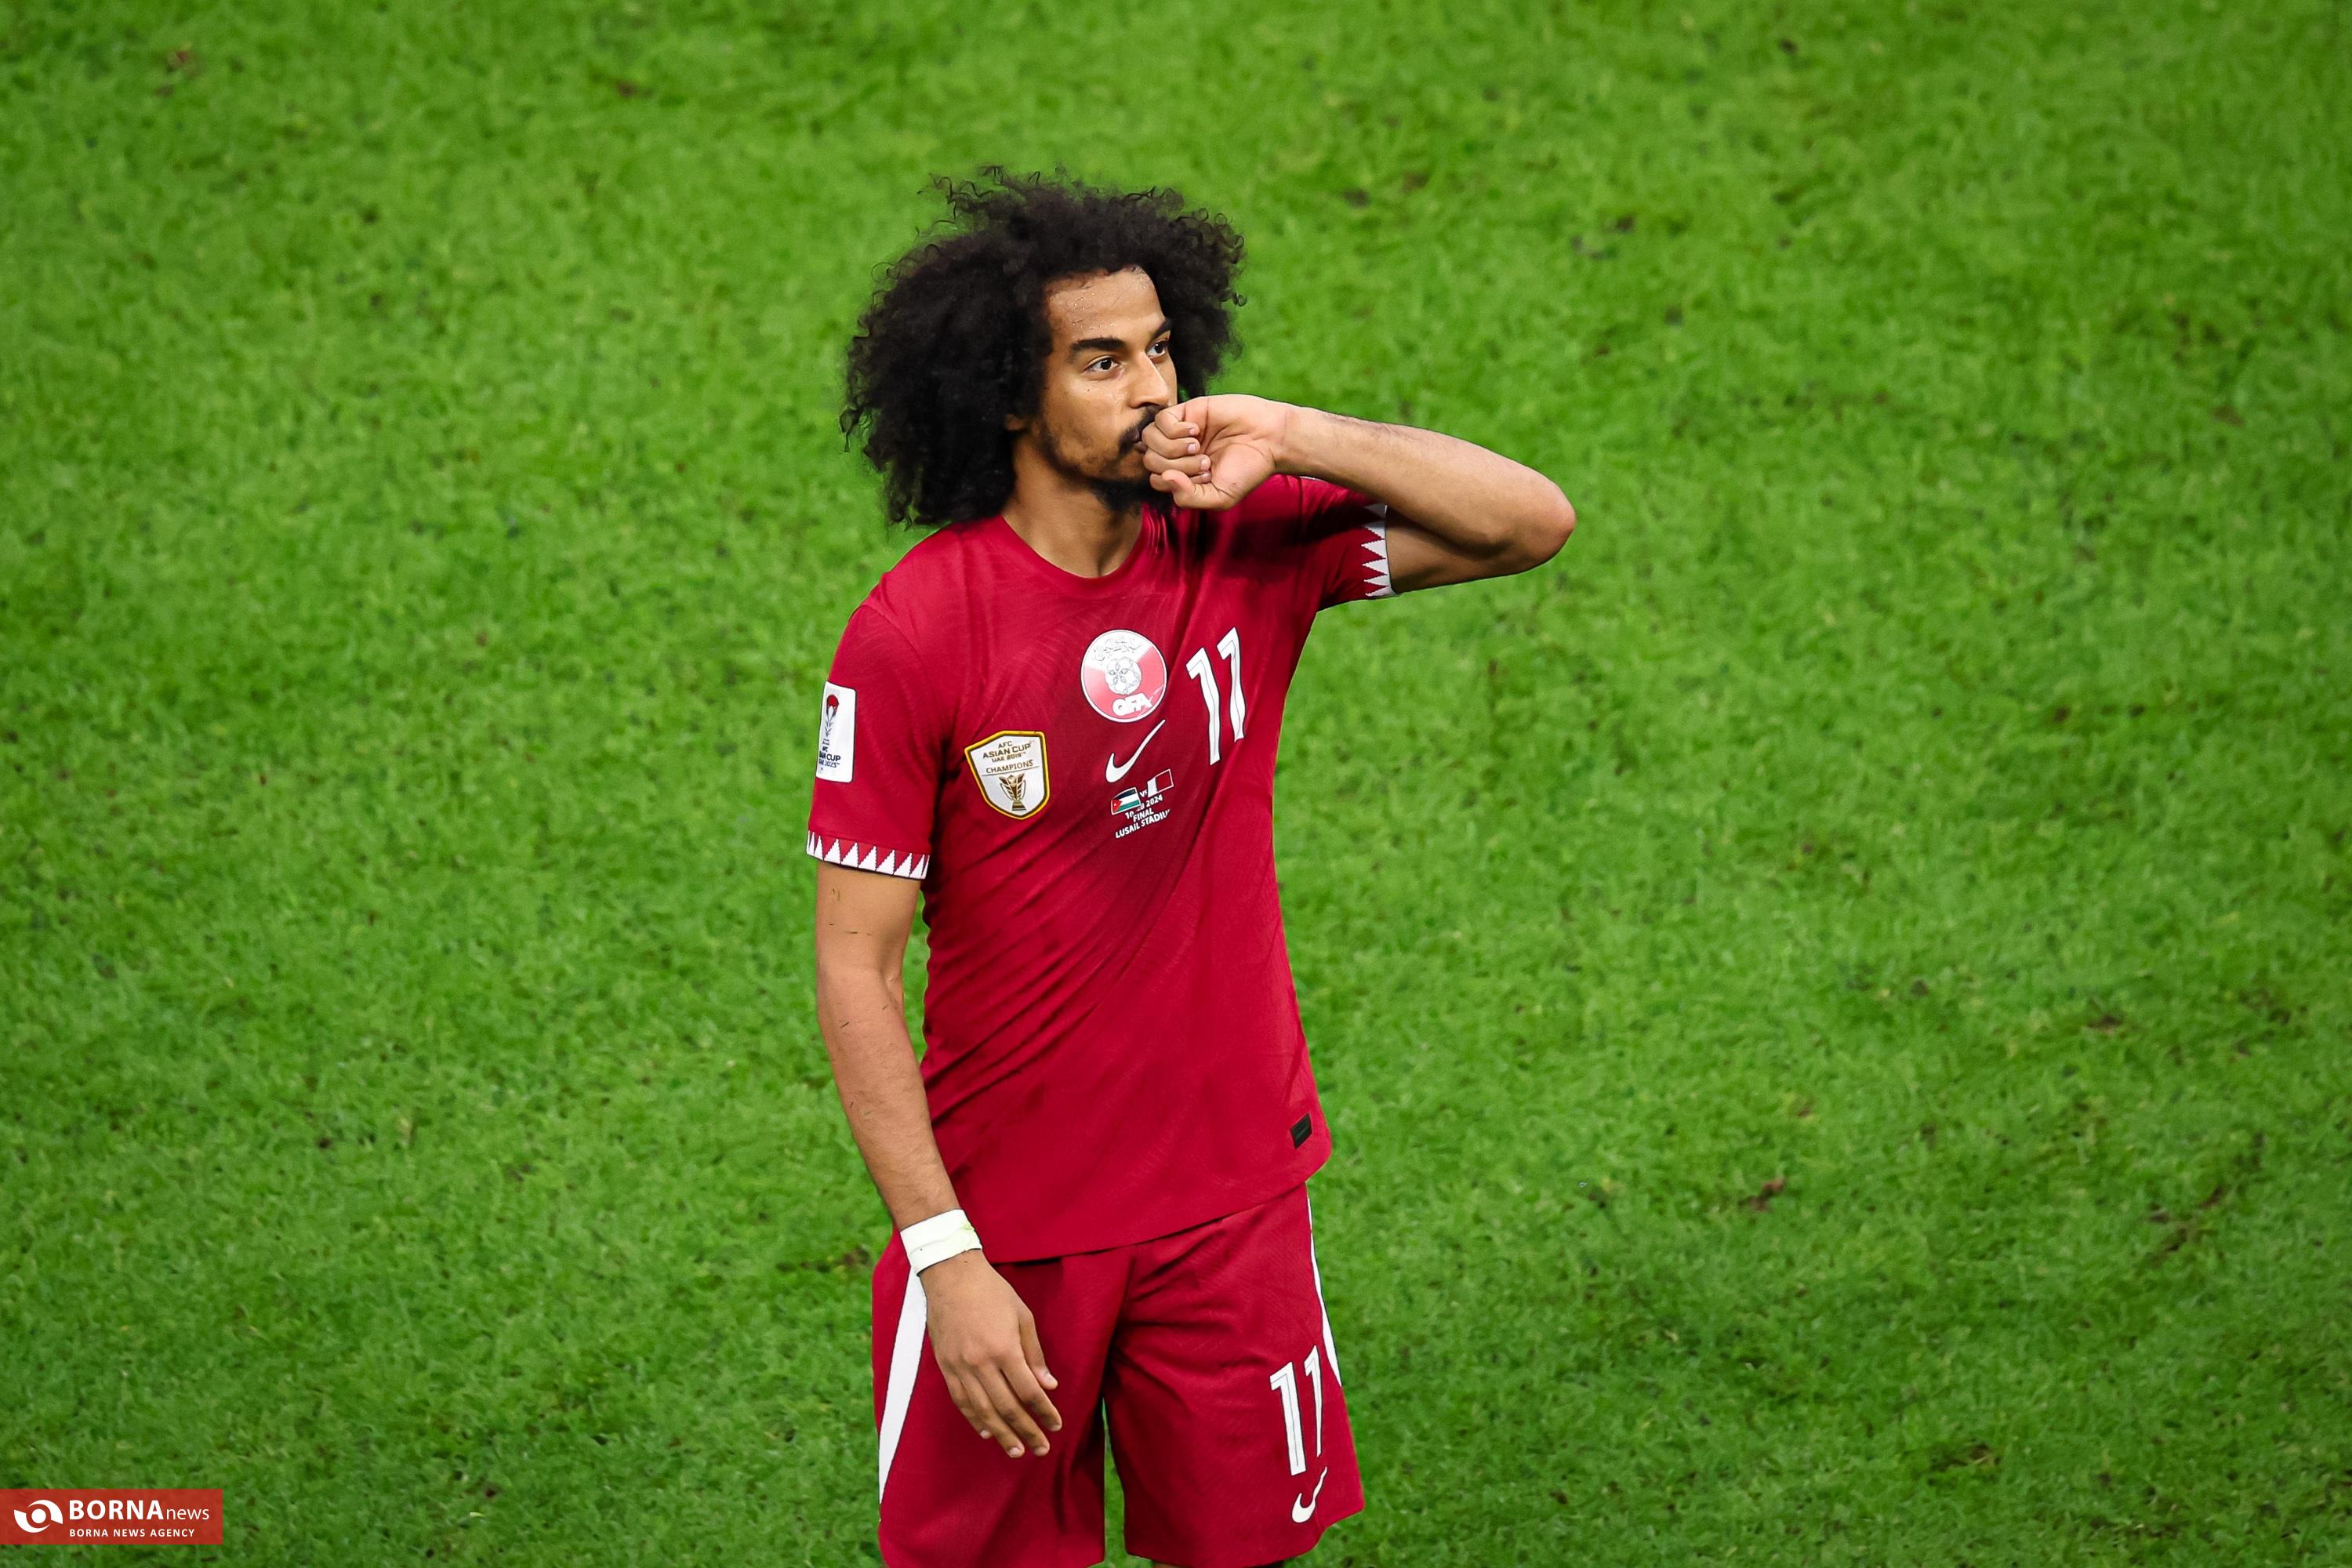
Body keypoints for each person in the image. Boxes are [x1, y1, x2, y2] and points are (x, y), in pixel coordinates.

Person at [809, 168, 1575, 1568]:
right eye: (1102, 361)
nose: (1154, 388)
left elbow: (1529, 522)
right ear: (1010, 393)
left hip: (1234, 1200)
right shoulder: (917, 634)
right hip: (1013, 1228)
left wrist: (1290, 432)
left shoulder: (1246, 543)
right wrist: (943, 1256)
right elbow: (855, 964)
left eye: (1162, 349)